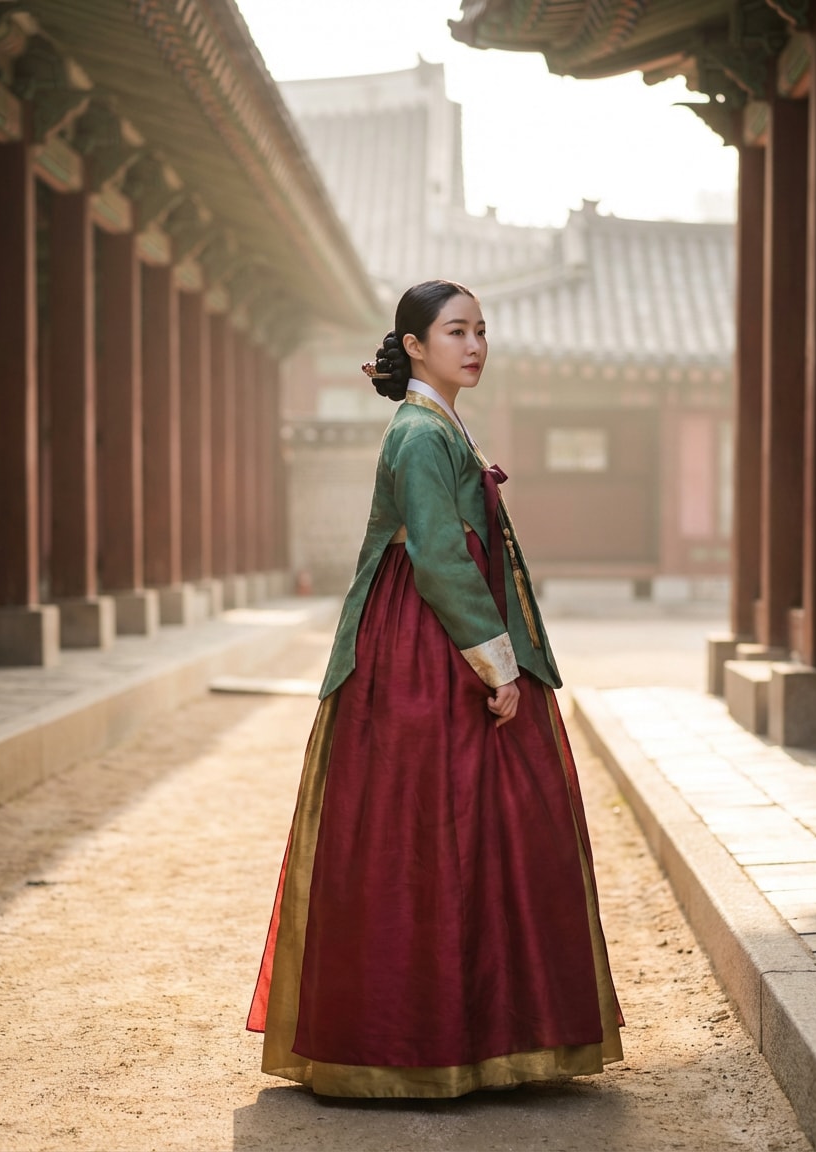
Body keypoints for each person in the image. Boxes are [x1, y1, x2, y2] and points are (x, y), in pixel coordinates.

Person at [247, 279, 623, 1098]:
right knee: (430, 832)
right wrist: (497, 665)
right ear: (415, 345)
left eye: (481, 330)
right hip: (424, 652)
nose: (475, 345)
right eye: (456, 331)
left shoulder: (437, 423)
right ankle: (415, 1039)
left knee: (465, 831)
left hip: (431, 641)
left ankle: (477, 1031)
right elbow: (441, 559)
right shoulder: (421, 434)